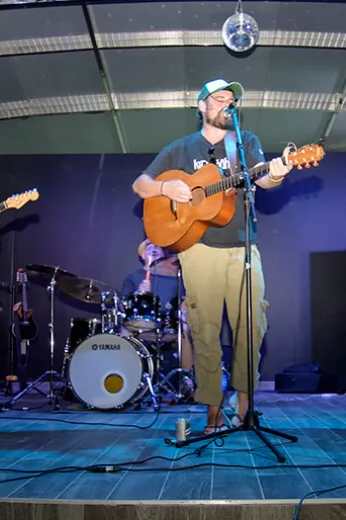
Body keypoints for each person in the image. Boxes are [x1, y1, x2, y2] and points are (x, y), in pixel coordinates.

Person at [131, 79, 293, 434]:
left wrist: (278, 173)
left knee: (252, 327)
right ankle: (212, 410)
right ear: (202, 106)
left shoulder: (244, 142)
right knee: (204, 331)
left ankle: (245, 404)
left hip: (243, 248)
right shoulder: (179, 148)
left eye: (231, 99)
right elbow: (140, 185)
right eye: (219, 98)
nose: (227, 104)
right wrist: (165, 187)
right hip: (198, 249)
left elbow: (264, 180)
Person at [121, 239, 193, 370]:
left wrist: (184, 309)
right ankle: (127, 369)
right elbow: (124, 305)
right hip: (140, 321)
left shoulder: (176, 277)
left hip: (169, 322)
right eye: (149, 247)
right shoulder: (134, 276)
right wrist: (139, 293)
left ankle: (186, 376)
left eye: (158, 248)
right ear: (142, 256)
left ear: (164, 256)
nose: (153, 249)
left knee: (186, 325)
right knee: (125, 327)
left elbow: (185, 300)